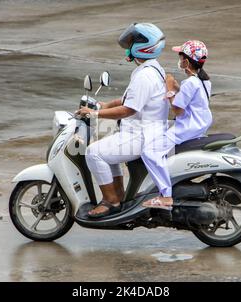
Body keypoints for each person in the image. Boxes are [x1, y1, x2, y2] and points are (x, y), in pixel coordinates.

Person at [76, 23, 169, 218]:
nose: (129, 45)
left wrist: (95, 114)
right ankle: (117, 196)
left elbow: (128, 109)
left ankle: (111, 201)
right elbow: (130, 99)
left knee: (93, 153)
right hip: (144, 132)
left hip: (141, 136)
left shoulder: (145, 75)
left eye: (133, 41)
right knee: (106, 152)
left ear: (143, 47)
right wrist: (105, 105)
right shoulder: (152, 69)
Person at [141, 40, 212, 209]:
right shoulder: (203, 81)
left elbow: (178, 110)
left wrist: (168, 89)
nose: (179, 60)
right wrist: (175, 87)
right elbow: (190, 98)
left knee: (149, 152)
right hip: (200, 125)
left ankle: (166, 196)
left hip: (187, 127)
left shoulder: (190, 83)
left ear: (186, 62)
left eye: (181, 57)